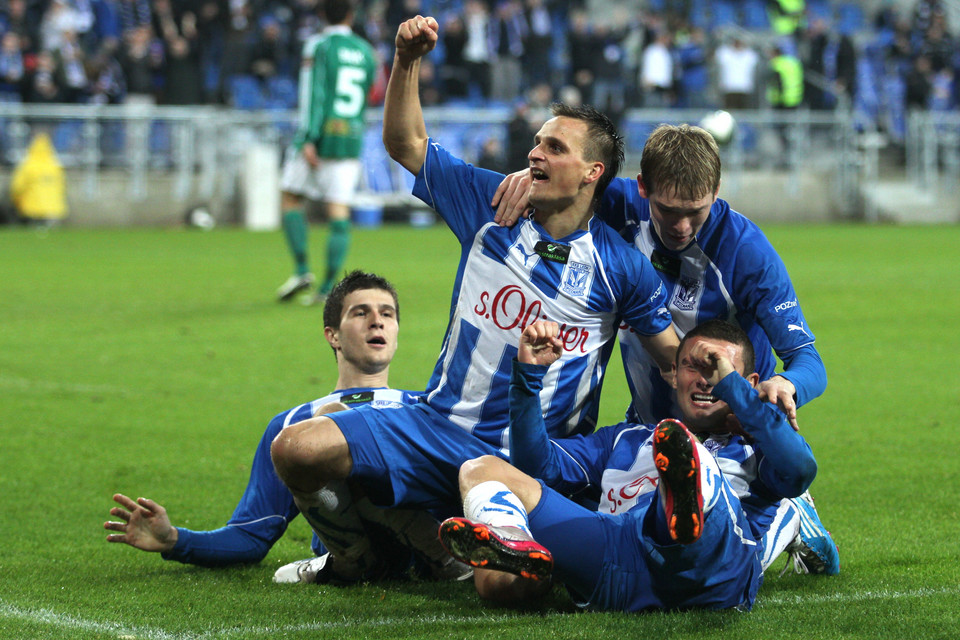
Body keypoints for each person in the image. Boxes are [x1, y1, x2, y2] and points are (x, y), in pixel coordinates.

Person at [269, 15, 680, 553]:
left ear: (592, 172)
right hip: (437, 427)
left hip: (532, 462)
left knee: (505, 588)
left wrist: (738, 406)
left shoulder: (621, 267)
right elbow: (405, 142)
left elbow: (673, 361)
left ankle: (431, 544)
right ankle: (356, 557)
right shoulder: (490, 204)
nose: (535, 153)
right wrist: (407, 60)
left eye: (555, 147)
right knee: (296, 448)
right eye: (536, 142)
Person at [490, 123, 832, 573]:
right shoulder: (616, 206)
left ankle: (789, 508)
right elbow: (570, 176)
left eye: (697, 211)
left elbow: (810, 361)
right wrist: (531, 179)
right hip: (654, 425)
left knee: (714, 552)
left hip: (740, 439)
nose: (682, 226)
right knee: (613, 519)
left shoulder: (747, 254)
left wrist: (785, 384)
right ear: (642, 188)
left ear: (716, 191)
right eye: (668, 210)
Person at [439, 319, 830, 610]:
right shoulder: (627, 439)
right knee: (479, 469)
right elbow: (537, 466)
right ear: (674, 374)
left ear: (747, 379)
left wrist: (736, 392)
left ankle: (683, 492)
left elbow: (799, 470)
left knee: (687, 451)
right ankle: (516, 545)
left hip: (710, 570)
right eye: (694, 366)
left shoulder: (758, 450)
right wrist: (527, 379)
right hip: (620, 554)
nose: (705, 379)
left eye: (717, 368)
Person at [105, 271, 468, 585]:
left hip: (426, 534)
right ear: (333, 336)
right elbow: (252, 534)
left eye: (387, 314)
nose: (377, 322)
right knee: (334, 416)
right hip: (355, 541)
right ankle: (362, 560)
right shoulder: (292, 427)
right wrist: (174, 540)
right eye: (361, 313)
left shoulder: (428, 408)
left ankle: (439, 557)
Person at [275, 0, 378, 305]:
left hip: (319, 136)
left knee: (290, 197)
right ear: (351, 14)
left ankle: (302, 269)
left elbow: (313, 93)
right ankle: (328, 286)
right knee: (338, 211)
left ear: (321, 14)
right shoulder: (366, 51)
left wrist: (308, 137)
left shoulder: (318, 46)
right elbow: (369, 94)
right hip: (349, 136)